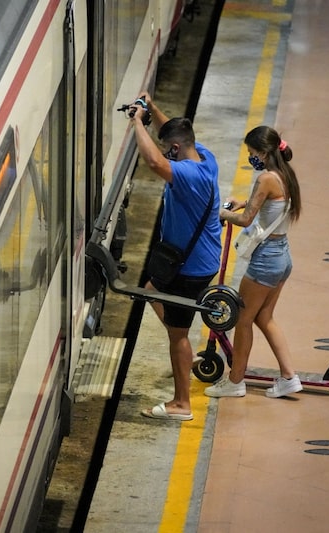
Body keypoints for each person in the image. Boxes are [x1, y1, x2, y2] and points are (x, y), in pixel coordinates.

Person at [130, 94, 222, 421]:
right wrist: (152, 107)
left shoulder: (186, 174)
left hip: (190, 267)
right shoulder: (205, 157)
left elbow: (155, 162)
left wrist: (136, 121)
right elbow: (172, 134)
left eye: (168, 147)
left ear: (175, 149)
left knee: (177, 335)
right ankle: (187, 359)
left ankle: (182, 404)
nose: (166, 150)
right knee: (151, 290)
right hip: (197, 258)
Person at [204, 125, 303, 399]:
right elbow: (271, 204)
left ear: (263, 152)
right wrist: (243, 201)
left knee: (243, 319)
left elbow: (247, 219)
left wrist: (223, 213)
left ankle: (235, 381)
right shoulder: (285, 174)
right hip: (283, 257)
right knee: (264, 317)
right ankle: (288, 377)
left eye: (251, 152)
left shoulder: (265, 178)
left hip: (266, 260)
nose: (251, 157)